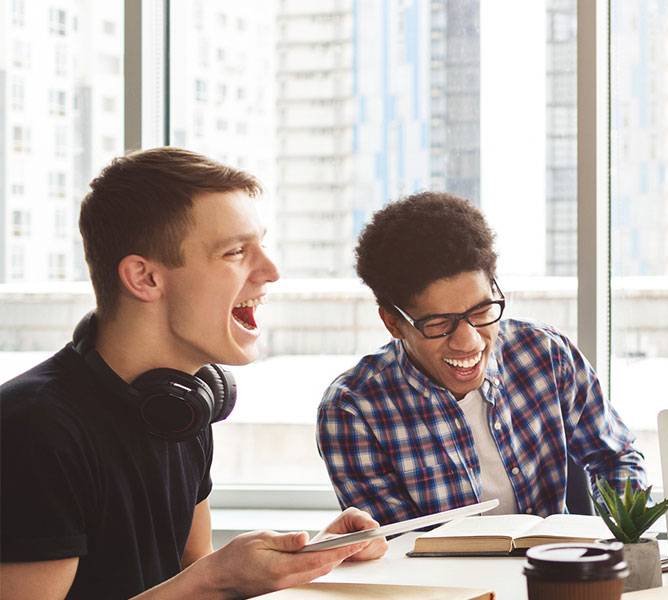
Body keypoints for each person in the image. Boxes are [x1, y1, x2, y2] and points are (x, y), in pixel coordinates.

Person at [1, 148, 385, 599]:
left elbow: (191, 577)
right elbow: (203, 581)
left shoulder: (178, 407)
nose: (271, 272)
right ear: (144, 278)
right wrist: (216, 576)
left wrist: (305, 557)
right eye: (236, 251)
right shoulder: (34, 430)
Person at [317, 192, 645, 524]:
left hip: (558, 570)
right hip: (441, 578)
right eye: (439, 324)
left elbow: (616, 458)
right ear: (393, 322)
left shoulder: (546, 354)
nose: (468, 342)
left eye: (481, 311)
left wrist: (620, 536)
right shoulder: (353, 410)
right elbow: (398, 548)